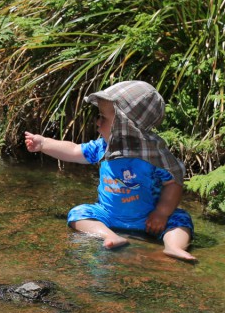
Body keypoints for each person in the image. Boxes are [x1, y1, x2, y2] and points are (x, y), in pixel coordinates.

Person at [24, 80, 195, 261]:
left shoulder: (153, 156)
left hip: (149, 219)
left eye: (103, 117)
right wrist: (43, 143)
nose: (97, 122)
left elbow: (174, 182)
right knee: (78, 213)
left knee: (181, 219)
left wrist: (162, 213)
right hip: (109, 215)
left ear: (125, 125)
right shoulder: (103, 147)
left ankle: (174, 246)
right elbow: (74, 151)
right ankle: (109, 234)